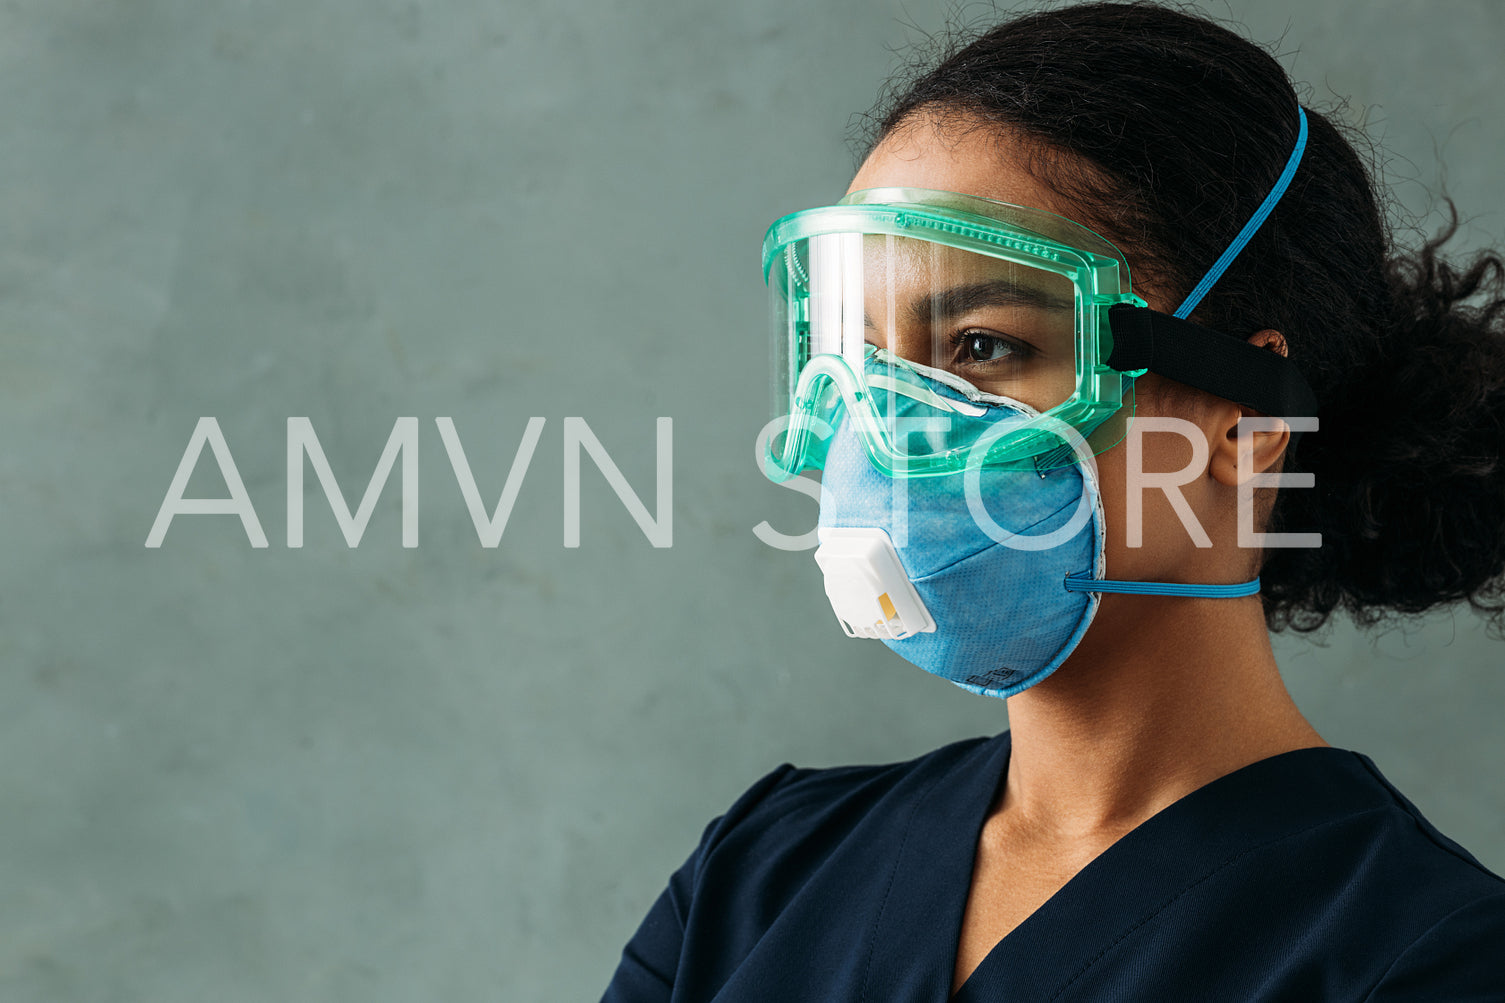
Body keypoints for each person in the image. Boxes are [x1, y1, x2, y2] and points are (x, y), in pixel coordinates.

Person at [602, 3, 1505, 999]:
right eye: (853, 358)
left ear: (1243, 422)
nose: (880, 427)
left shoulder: (1424, 958)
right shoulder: (759, 873)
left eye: (983, 347)